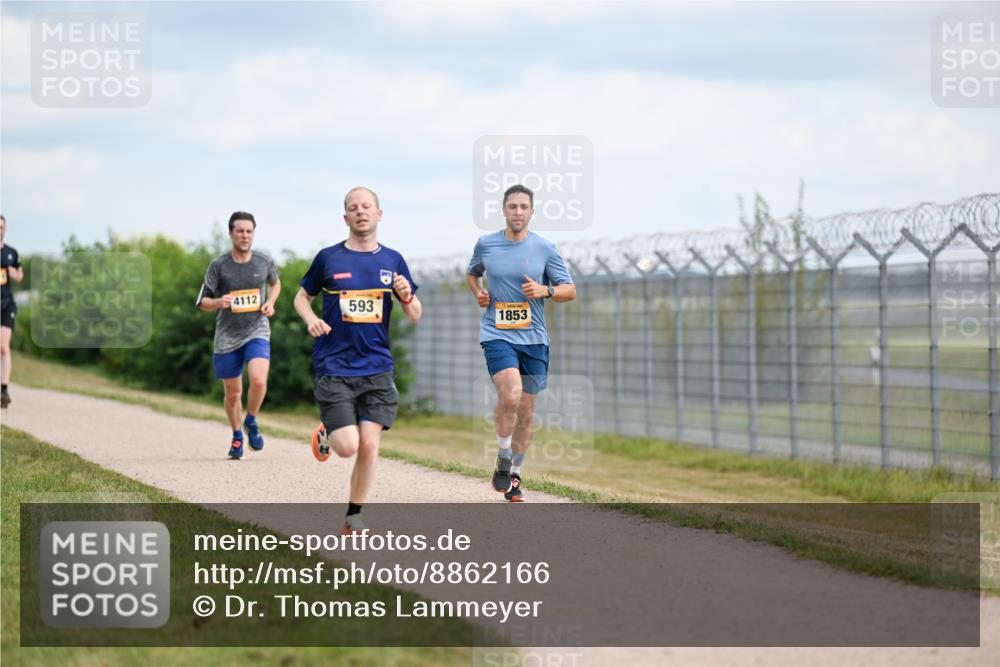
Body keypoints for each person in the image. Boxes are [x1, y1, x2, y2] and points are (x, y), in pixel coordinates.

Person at [294, 187, 421, 535]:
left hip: (377, 367)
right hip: (334, 366)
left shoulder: (393, 260)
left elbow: (414, 313)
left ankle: (354, 515)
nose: (360, 212)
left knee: (369, 444)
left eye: (367, 206)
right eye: (353, 208)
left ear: (379, 214)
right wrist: (310, 319)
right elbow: (301, 297)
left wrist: (407, 296)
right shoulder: (328, 258)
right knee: (347, 447)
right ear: (345, 218)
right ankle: (327, 431)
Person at [466, 184, 576, 501]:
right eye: (512, 206)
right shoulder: (486, 244)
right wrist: (479, 294)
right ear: (504, 210)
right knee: (510, 394)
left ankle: (514, 475)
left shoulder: (544, 247)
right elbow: (472, 274)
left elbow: (570, 290)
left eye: (523, 207)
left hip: (535, 339)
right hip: (497, 333)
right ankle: (503, 453)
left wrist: (546, 291)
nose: (517, 212)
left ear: (531, 211)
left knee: (526, 412)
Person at [196, 211, 281, 459]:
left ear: (253, 233)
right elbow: (202, 302)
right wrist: (218, 302)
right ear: (231, 233)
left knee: (258, 381)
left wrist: (271, 303)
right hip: (227, 336)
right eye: (240, 231)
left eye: (249, 231)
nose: (245, 235)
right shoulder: (218, 265)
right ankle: (236, 435)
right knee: (233, 393)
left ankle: (251, 420)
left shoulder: (264, 261)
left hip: (257, 329)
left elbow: (275, 283)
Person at [1, 215, 24, 410]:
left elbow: (19, 276)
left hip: (6, 304)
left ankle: (4, 389)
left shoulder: (11, 253)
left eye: (1, 227)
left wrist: (12, 272)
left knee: (4, 347)